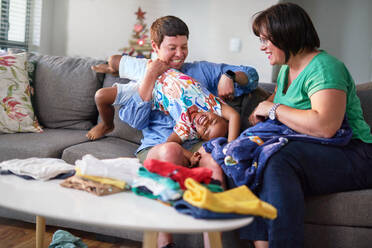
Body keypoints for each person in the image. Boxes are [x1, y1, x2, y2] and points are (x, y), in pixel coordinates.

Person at [92, 15, 259, 248]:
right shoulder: (142, 77)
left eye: (184, 47)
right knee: (171, 150)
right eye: (172, 48)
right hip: (159, 147)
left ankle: (212, 243)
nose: (180, 54)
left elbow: (250, 76)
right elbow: (135, 120)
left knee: (213, 160)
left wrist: (229, 76)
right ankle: (163, 244)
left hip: (198, 143)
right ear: (155, 47)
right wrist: (150, 77)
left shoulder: (199, 71)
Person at [235, 3, 372, 248]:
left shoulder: (325, 67)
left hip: (355, 152)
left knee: (278, 159)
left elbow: (326, 126)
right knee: (251, 158)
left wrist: (274, 109)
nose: (262, 46)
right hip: (319, 151)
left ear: (287, 34)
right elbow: (278, 100)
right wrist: (262, 108)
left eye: (267, 40)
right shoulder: (286, 70)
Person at [88, 55, 241, 167]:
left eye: (205, 131)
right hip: (161, 67)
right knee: (114, 60)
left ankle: (107, 125)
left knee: (101, 96)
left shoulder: (186, 126)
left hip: (150, 84)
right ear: (218, 115)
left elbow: (171, 143)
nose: (205, 123)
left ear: (199, 136)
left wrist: (189, 155)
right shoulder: (212, 104)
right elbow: (234, 115)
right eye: (213, 121)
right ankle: (113, 69)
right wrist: (230, 147)